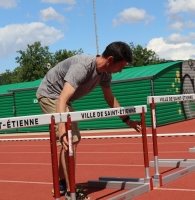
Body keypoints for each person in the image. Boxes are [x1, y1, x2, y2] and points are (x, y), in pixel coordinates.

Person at [36, 41, 142, 200]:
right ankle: (72, 192)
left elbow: (110, 99)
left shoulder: (106, 73)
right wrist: (62, 129)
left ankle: (62, 185)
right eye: (121, 66)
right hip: (51, 96)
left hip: (64, 99)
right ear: (110, 60)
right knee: (70, 140)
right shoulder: (82, 67)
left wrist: (128, 121)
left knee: (72, 141)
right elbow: (61, 100)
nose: (120, 71)